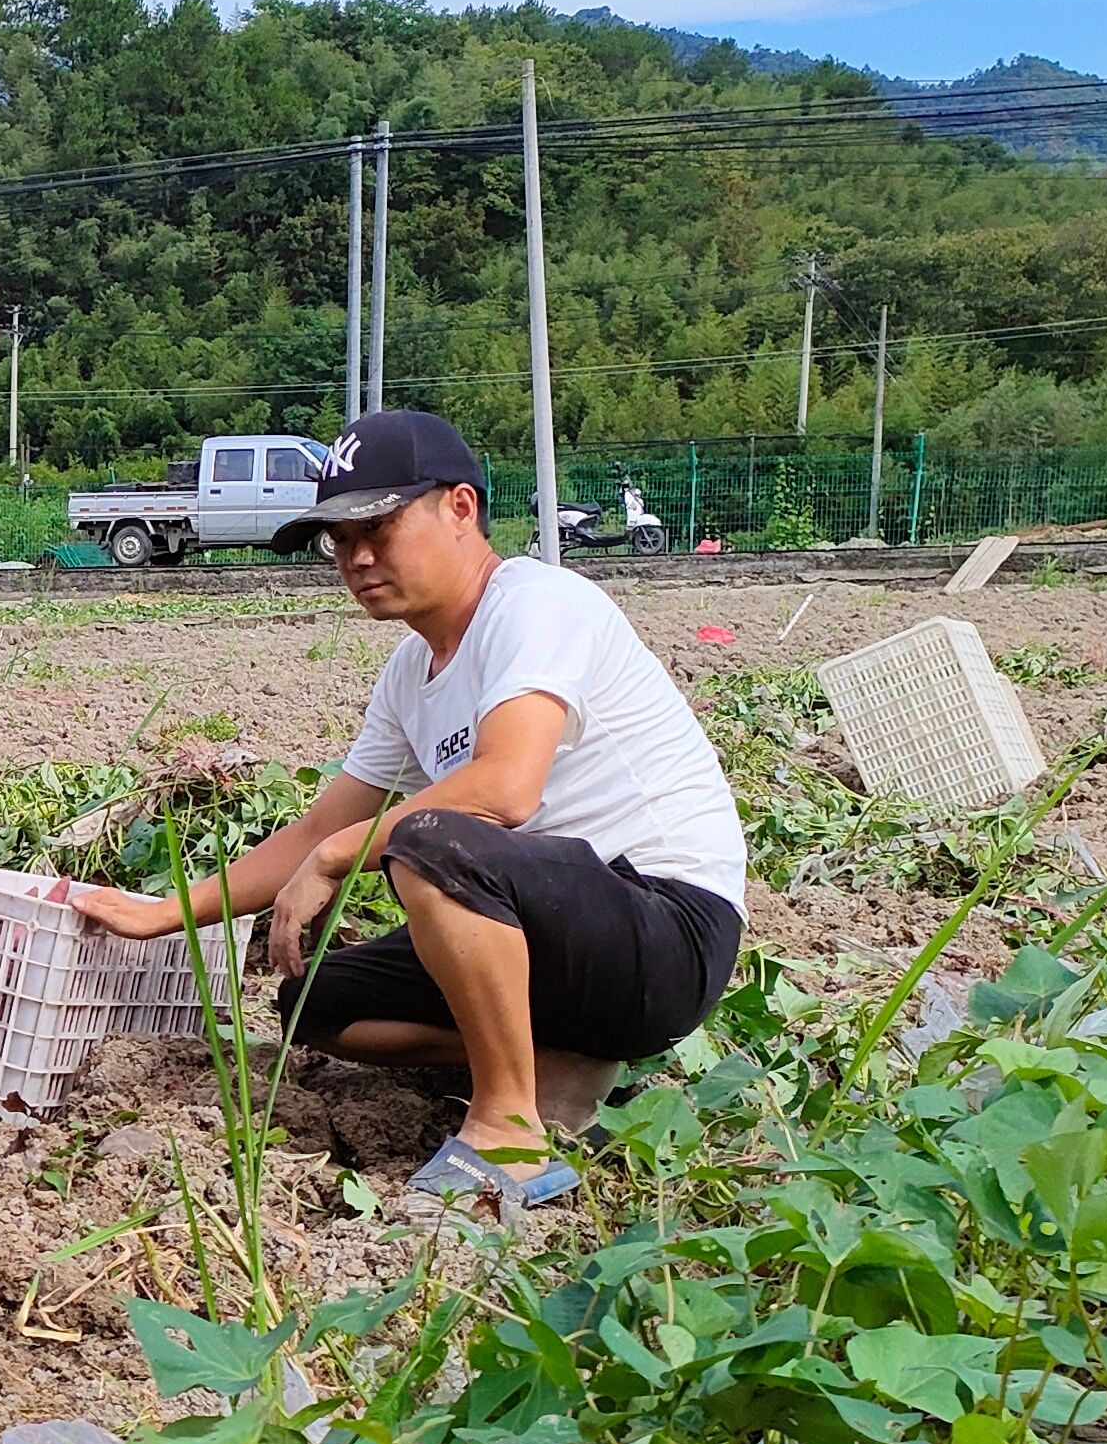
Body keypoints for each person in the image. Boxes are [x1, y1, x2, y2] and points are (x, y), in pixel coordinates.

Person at [61, 409, 749, 1212]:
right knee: (316, 1005)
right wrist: (163, 913)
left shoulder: (535, 604)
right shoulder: (409, 674)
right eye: (337, 539)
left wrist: (338, 855)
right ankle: (552, 1066)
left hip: (663, 933)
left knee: (430, 836)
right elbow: (318, 827)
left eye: (378, 528)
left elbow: (504, 788)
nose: (356, 558)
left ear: (460, 509)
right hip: (548, 939)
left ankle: (509, 1132)